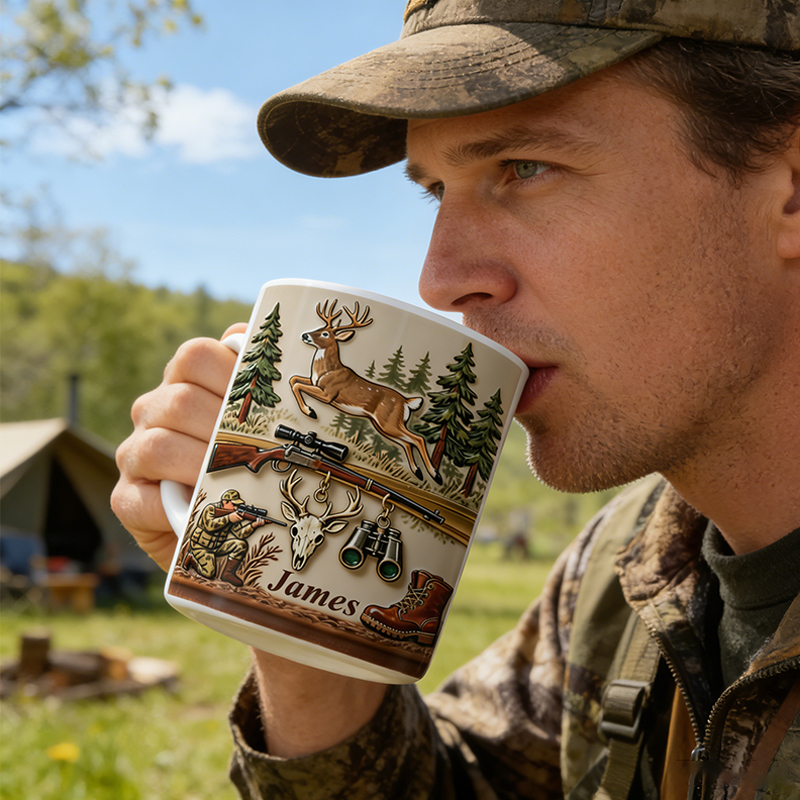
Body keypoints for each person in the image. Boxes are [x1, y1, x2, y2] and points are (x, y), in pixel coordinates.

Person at [111, 1, 800, 797]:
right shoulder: (628, 569)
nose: (439, 280)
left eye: (524, 167)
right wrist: (302, 626)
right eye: (436, 188)